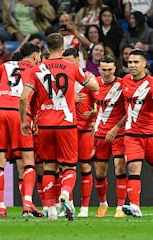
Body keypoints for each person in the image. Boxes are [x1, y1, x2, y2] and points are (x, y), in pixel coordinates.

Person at [19, 32, 99, 221]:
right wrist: (86, 77)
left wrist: (24, 121)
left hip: (45, 125)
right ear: (63, 49)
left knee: (48, 167)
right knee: (69, 166)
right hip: (67, 124)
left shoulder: (37, 69)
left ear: (47, 48)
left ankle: (51, 210)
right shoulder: (72, 67)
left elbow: (23, 98)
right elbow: (94, 86)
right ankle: (65, 192)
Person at [0, 42, 44, 218]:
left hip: (1, 112)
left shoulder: (5, 66)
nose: (39, 59)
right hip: (20, 113)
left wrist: (2, 90)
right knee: (28, 161)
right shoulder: (36, 71)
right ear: (34, 56)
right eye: (39, 56)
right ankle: (27, 205)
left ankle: (0, 208)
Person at [122, 49, 153, 218]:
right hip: (132, 135)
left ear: (144, 64)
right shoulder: (125, 80)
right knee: (133, 168)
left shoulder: (152, 84)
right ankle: (134, 205)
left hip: (152, 135)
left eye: (136, 62)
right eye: (129, 62)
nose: (132, 65)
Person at [92, 55, 127, 218]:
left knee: (120, 167)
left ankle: (120, 207)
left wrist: (116, 127)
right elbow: (93, 105)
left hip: (119, 134)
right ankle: (103, 203)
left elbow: (130, 111)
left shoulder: (122, 85)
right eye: (104, 70)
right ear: (99, 69)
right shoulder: (94, 84)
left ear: (115, 69)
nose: (106, 73)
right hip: (100, 134)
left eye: (110, 70)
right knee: (100, 173)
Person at [62, 47, 96, 218]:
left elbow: (101, 100)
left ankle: (85, 207)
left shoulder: (88, 79)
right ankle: (68, 204)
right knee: (66, 167)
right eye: (65, 61)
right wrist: (69, 98)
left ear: (77, 60)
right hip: (66, 128)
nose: (68, 64)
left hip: (85, 130)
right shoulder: (60, 80)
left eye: (70, 61)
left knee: (85, 166)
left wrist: (95, 114)